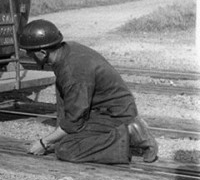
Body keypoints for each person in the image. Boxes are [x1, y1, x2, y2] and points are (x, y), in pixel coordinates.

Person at [19, 19, 158, 164]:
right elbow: (68, 103)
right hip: (103, 108)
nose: (29, 56)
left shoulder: (73, 71)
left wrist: (44, 143)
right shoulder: (66, 51)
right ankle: (127, 131)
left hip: (115, 113)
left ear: (42, 52)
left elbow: (74, 121)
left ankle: (130, 132)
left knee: (66, 148)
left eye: (29, 53)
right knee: (65, 138)